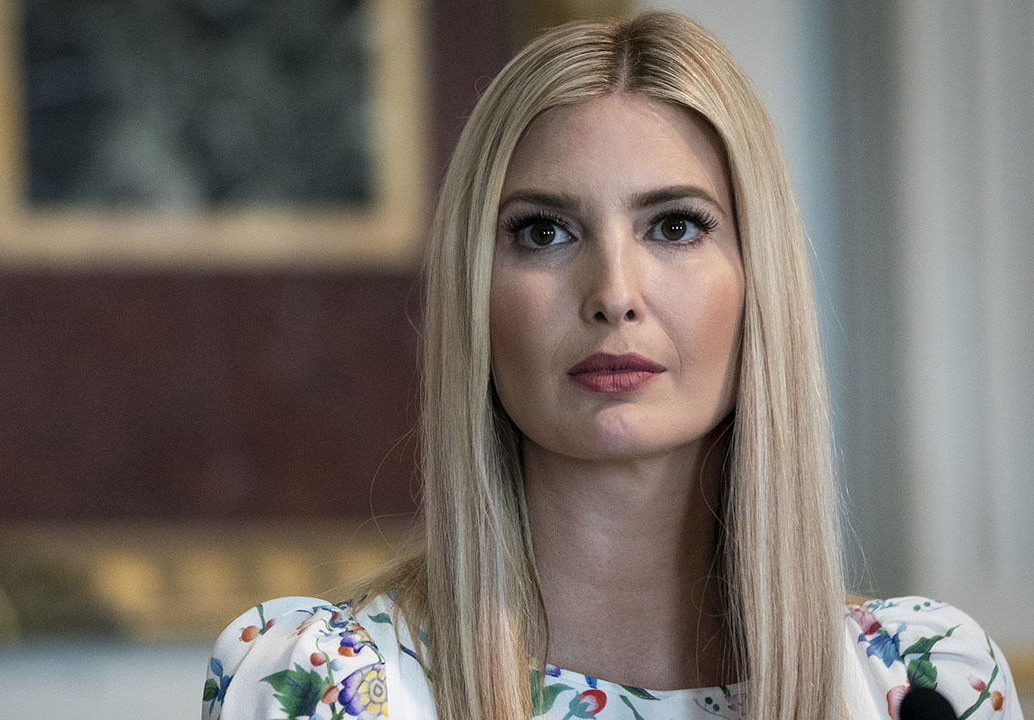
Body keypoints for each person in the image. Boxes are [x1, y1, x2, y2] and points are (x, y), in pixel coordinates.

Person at [200, 11, 1023, 720]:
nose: (614, 295)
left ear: (759, 278)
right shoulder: (328, 685)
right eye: (544, 232)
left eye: (674, 226)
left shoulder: (923, 681)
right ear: (473, 296)